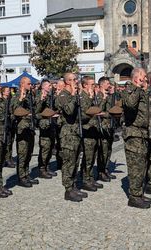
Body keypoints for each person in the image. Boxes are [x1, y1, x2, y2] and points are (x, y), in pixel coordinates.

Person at [122, 68, 151, 209]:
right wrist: (136, 86)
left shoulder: (141, 91)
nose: (145, 79)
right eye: (143, 77)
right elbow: (130, 104)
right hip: (134, 135)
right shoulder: (129, 90)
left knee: (142, 166)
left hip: (143, 134)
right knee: (135, 167)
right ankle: (134, 197)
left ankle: (139, 193)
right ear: (136, 78)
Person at [55, 73, 87, 202]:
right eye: (72, 80)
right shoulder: (63, 95)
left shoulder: (74, 95)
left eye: (75, 79)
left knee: (75, 161)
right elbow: (68, 111)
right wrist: (73, 95)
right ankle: (68, 190)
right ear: (66, 82)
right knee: (68, 162)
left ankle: (73, 186)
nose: (75, 81)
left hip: (76, 132)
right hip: (68, 134)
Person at [11, 77, 39, 187]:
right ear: (22, 84)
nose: (30, 85)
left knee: (29, 153)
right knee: (22, 154)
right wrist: (20, 99)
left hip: (30, 127)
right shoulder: (17, 95)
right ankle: (21, 176)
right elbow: (13, 109)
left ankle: (26, 174)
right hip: (22, 128)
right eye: (28, 83)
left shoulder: (30, 95)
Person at [79, 76, 103, 192]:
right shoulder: (82, 97)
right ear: (85, 85)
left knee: (93, 156)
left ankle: (90, 177)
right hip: (87, 129)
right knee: (88, 157)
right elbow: (84, 113)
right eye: (92, 84)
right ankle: (85, 179)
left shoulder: (91, 96)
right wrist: (90, 98)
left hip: (94, 129)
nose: (94, 86)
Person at [36, 79, 58, 179]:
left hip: (52, 124)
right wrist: (42, 99)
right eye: (49, 86)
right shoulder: (38, 95)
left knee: (50, 147)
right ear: (43, 86)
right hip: (44, 124)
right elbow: (36, 111)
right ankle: (42, 169)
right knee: (45, 147)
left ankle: (47, 166)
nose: (51, 87)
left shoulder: (51, 96)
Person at [96, 77, 116, 182]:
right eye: (107, 83)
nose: (109, 85)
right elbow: (98, 110)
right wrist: (103, 98)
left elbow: (113, 108)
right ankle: (100, 171)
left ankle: (106, 169)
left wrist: (112, 95)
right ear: (102, 84)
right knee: (102, 151)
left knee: (108, 150)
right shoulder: (98, 95)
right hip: (102, 126)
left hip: (110, 126)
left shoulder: (109, 95)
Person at [1, 86, 16, 168]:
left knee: (10, 142)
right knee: (4, 142)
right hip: (3, 124)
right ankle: (3, 159)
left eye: (9, 91)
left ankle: (8, 158)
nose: (8, 92)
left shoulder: (10, 100)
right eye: (7, 91)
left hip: (10, 123)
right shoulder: (1, 101)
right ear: (3, 92)